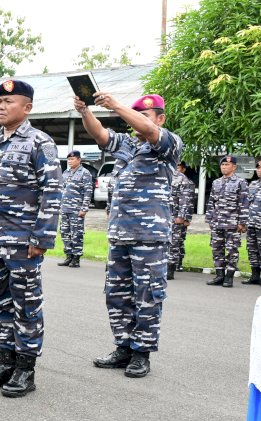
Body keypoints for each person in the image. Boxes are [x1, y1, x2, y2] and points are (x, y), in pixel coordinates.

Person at [75, 92, 181, 378]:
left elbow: (149, 130)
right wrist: (85, 111)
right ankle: (123, 346)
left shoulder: (168, 143)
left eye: (146, 115)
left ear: (160, 118)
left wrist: (117, 106)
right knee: (117, 294)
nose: (140, 122)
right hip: (120, 233)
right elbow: (100, 135)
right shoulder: (127, 144)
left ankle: (141, 353)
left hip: (149, 235)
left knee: (147, 295)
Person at [0, 81, 61, 397]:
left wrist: (43, 236)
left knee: (26, 304)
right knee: (2, 302)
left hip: (23, 240)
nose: (1, 106)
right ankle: (5, 362)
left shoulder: (40, 143)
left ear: (27, 107)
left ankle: (26, 369)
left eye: (8, 101)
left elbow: (52, 191)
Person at [205, 155, 248, 288]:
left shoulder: (241, 182)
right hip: (217, 222)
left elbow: (244, 203)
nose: (224, 167)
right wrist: (209, 218)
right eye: (222, 165)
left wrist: (242, 222)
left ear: (234, 167)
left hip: (232, 223)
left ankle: (229, 277)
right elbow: (211, 201)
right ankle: (219, 275)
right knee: (216, 249)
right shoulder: (216, 182)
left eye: (227, 165)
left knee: (232, 250)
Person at [57, 150, 92, 268]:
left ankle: (76, 258)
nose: (69, 161)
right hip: (65, 208)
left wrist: (84, 208)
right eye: (68, 159)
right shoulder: (66, 173)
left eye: (72, 159)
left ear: (78, 160)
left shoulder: (85, 173)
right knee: (65, 233)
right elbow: (61, 190)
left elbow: (88, 192)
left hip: (77, 209)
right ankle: (69, 256)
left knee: (76, 234)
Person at [244, 158, 261, 286]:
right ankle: (255, 275)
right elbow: (247, 203)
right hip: (251, 223)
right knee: (252, 249)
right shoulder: (253, 185)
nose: (259, 170)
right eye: (258, 168)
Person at [167, 161, 195, 279]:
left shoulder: (181, 178)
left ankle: (170, 268)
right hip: (160, 215)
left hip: (174, 216)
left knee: (174, 243)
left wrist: (182, 216)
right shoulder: (162, 174)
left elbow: (186, 199)